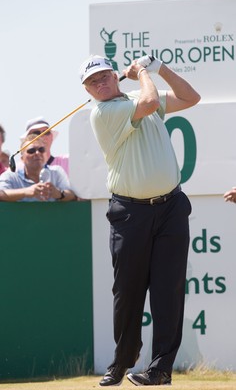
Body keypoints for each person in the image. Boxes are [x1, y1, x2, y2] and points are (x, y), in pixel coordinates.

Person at [79, 54, 201, 386]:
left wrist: (161, 70)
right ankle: (123, 360)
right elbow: (148, 101)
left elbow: (191, 97)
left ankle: (161, 368)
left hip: (171, 208)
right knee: (128, 291)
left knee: (168, 290)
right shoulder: (103, 112)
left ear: (115, 77)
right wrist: (143, 73)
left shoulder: (135, 97)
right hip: (130, 213)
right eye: (94, 81)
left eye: (105, 75)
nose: (102, 83)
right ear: (88, 90)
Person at [0, 134, 76, 202]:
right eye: (31, 151)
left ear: (46, 155)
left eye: (41, 150)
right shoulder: (11, 176)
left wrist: (59, 194)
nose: (37, 153)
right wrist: (26, 192)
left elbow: (72, 195)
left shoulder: (56, 172)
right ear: (22, 158)